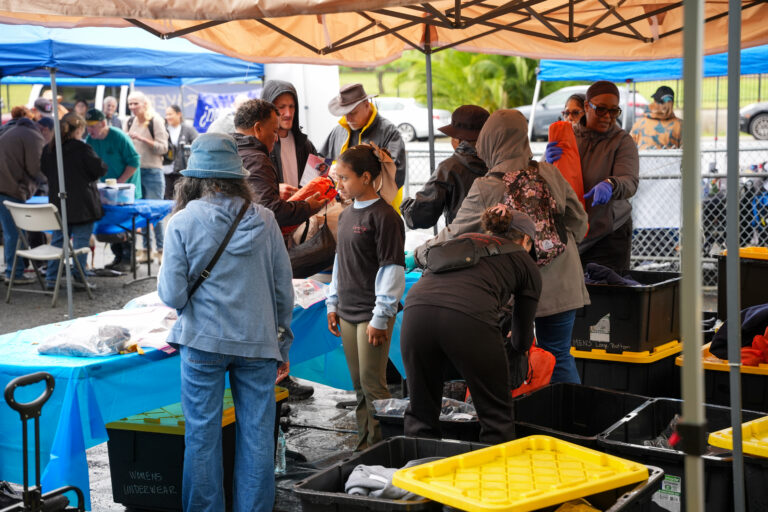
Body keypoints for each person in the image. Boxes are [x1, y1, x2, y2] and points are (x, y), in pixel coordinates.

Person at [157, 133, 293, 512]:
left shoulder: (182, 222)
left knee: (201, 439)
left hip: (202, 343)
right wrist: (283, 343)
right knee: (256, 438)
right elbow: (284, 291)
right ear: (237, 176)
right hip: (258, 344)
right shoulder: (264, 220)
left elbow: (171, 296)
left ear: (196, 178)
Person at [412, 109, 589, 384]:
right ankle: (568, 421)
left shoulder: (487, 186)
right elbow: (579, 221)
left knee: (508, 356)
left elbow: (455, 233)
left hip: (512, 287)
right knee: (559, 355)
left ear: (489, 140)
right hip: (563, 279)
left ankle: (519, 419)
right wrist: (554, 248)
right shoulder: (550, 172)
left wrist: (417, 255)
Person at [402, 205, 542, 443]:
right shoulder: (524, 262)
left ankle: (419, 470)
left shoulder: (460, 241)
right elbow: (521, 338)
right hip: (468, 319)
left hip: (416, 313)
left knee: (421, 411)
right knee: (495, 416)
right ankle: (494, 474)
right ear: (526, 239)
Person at [326, 144, 405, 451]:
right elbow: (339, 262)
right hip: (346, 311)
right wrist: (332, 303)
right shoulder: (345, 215)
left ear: (367, 177)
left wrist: (381, 316)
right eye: (338, 178)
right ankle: (364, 445)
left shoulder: (386, 217)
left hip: (372, 314)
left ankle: (385, 448)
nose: (339, 185)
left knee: (374, 386)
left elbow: (391, 269)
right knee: (358, 386)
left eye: (345, 178)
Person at [547, 80, 639, 274]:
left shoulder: (622, 141)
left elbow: (629, 180)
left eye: (614, 111)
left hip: (609, 234)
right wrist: (546, 163)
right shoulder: (567, 135)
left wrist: (611, 184)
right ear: (587, 106)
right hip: (571, 233)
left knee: (605, 297)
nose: (607, 116)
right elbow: (542, 180)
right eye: (601, 109)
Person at [234, 99, 327, 232]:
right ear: (258, 128)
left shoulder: (230, 151)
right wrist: (307, 207)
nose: (276, 138)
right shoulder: (257, 159)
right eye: (274, 131)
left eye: (292, 106)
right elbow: (272, 211)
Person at [40, 113, 107, 290]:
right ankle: (80, 278)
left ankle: (51, 278)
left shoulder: (50, 148)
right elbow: (99, 169)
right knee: (81, 243)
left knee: (58, 241)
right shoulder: (81, 148)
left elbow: (44, 170)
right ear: (78, 129)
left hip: (59, 203)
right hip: (82, 205)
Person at [400, 105, 490, 228]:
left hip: (462, 242)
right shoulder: (503, 162)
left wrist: (405, 204)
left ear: (458, 139)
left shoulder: (449, 168)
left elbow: (420, 217)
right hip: (504, 244)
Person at [320, 84, 406, 208]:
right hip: (343, 211)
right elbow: (315, 166)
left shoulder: (389, 132)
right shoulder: (337, 132)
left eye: (353, 113)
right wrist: (328, 170)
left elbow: (394, 175)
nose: (348, 118)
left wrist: (357, 190)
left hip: (381, 212)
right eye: (344, 114)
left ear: (366, 104)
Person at [85, 108, 141, 271]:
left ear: (103, 123)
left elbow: (134, 162)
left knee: (125, 223)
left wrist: (119, 182)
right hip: (106, 189)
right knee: (110, 222)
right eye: (87, 126)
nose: (90, 130)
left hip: (126, 190)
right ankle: (117, 257)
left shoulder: (118, 137)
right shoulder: (90, 139)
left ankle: (128, 258)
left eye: (93, 126)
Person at [0, 114, 45, 284]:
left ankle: (12, 270)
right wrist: (48, 181)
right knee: (15, 233)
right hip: (9, 189)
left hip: (4, 186)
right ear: (45, 130)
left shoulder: (12, 131)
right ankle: (15, 273)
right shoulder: (33, 136)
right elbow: (36, 167)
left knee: (11, 232)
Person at [126, 91, 169, 263]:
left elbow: (163, 148)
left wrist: (143, 140)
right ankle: (145, 249)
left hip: (153, 171)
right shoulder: (131, 121)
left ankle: (161, 250)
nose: (132, 107)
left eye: (135, 103)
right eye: (130, 104)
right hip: (136, 172)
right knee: (141, 212)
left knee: (156, 213)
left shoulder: (155, 120)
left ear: (145, 104)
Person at [261, 80, 317, 199]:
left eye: (292, 106)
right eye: (281, 107)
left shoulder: (305, 145)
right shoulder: (259, 148)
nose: (288, 113)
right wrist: (274, 189)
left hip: (302, 214)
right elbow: (248, 188)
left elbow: (319, 178)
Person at [163, 104, 199, 200]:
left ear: (179, 114)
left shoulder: (188, 130)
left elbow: (198, 144)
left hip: (182, 170)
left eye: (170, 114)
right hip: (166, 169)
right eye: (166, 115)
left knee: (181, 197)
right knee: (167, 197)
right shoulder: (163, 129)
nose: (168, 117)